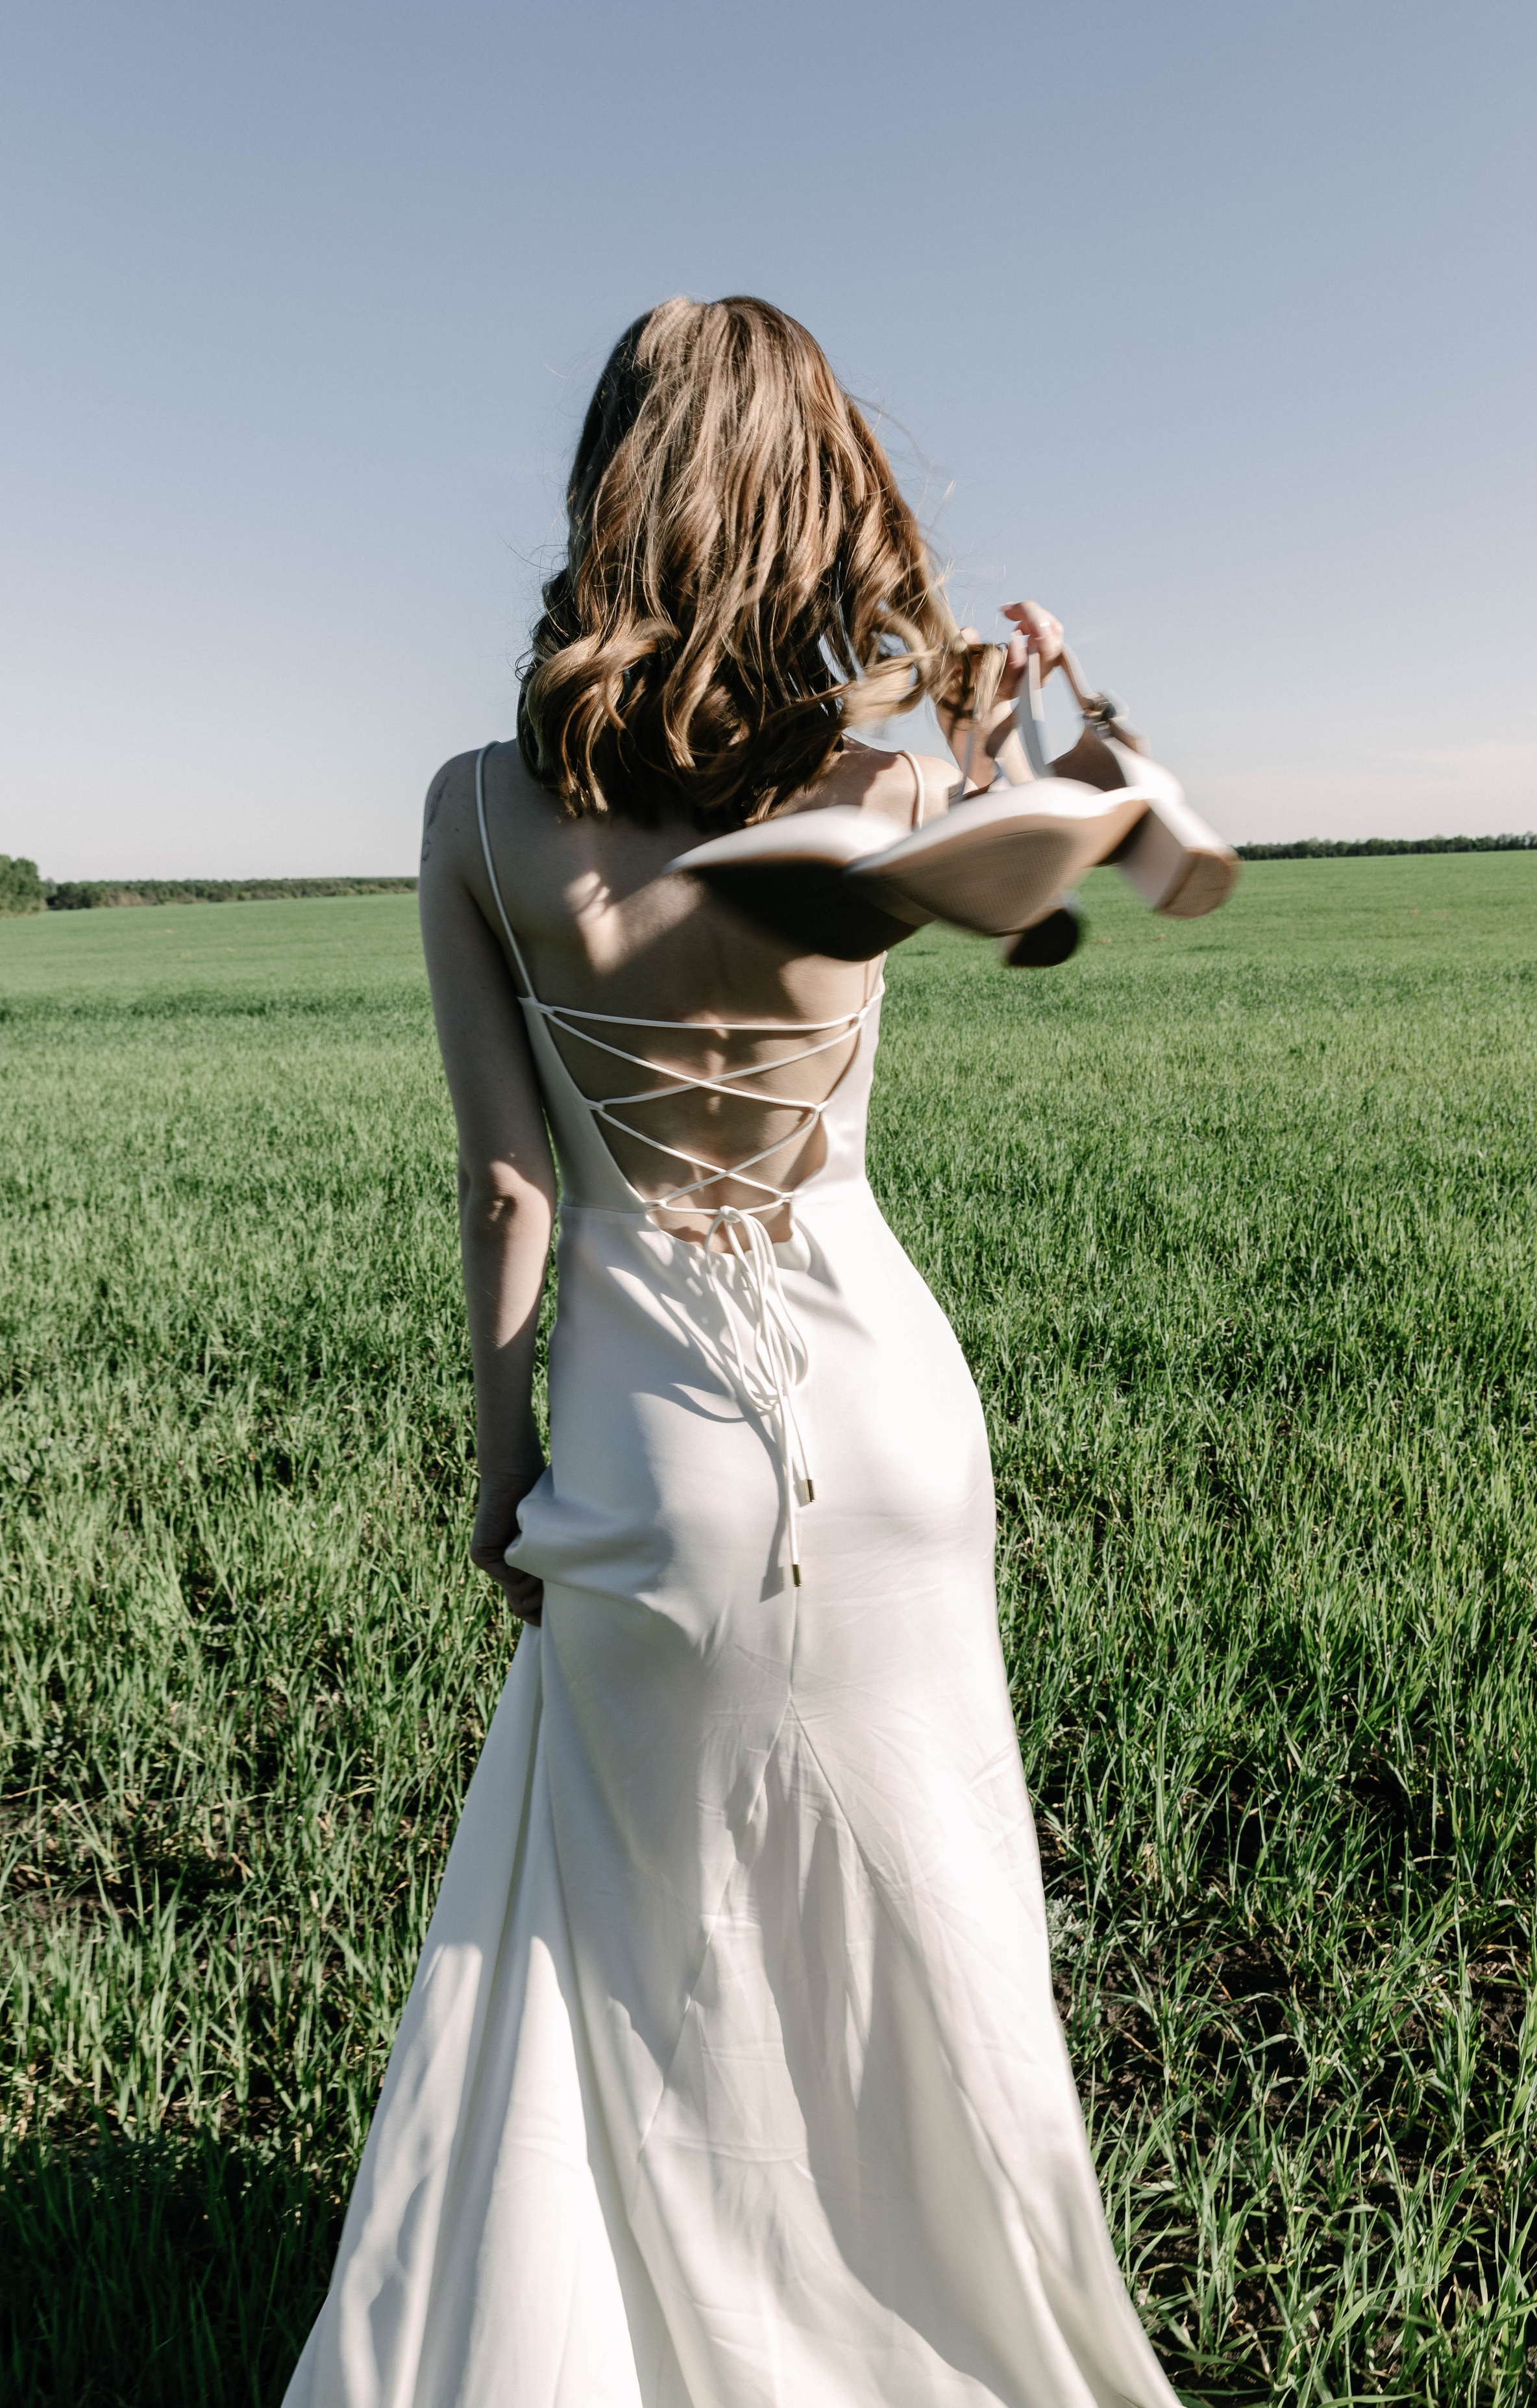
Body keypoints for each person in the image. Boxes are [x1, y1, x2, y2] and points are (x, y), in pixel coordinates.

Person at [283, 295, 1181, 2408]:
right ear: (811, 493)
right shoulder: (883, 776)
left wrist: (505, 1472)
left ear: (609, 487)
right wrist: (1057, 694)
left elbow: (516, 1193)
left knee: (618, 1955)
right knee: (926, 1935)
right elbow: (1121, 830)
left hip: (652, 1440)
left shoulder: (477, 810)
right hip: (889, 1415)